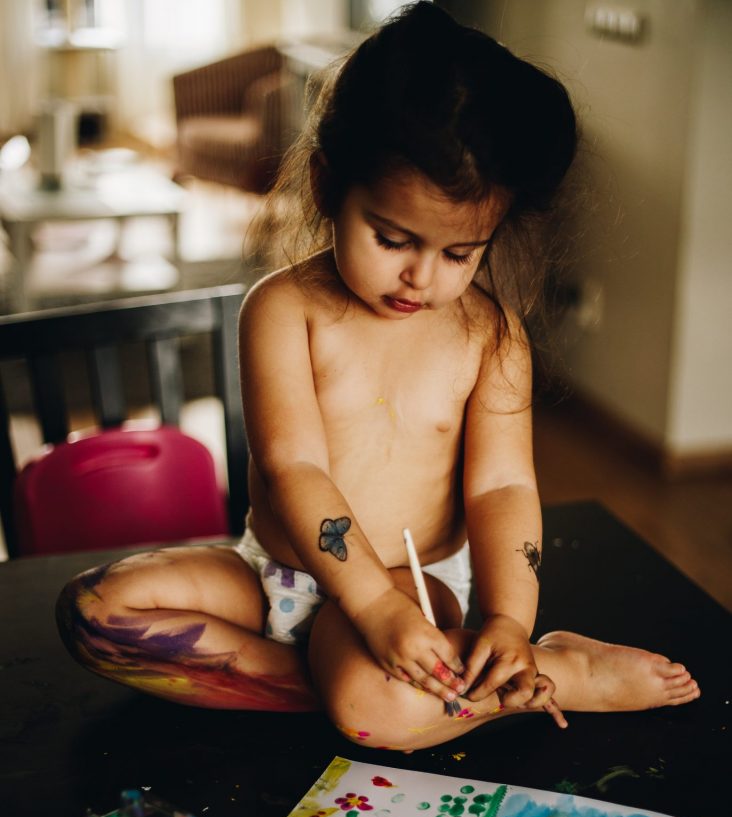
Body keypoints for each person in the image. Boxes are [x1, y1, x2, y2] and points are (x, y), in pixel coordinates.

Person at [56, 2, 699, 751]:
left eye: (460, 254)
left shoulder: (490, 336)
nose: (421, 276)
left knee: (379, 712)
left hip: (405, 587)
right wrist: (360, 608)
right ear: (330, 186)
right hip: (279, 575)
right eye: (392, 239)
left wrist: (509, 623)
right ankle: (377, 692)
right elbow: (293, 465)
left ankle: (554, 672)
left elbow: (502, 489)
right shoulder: (283, 309)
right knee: (95, 613)